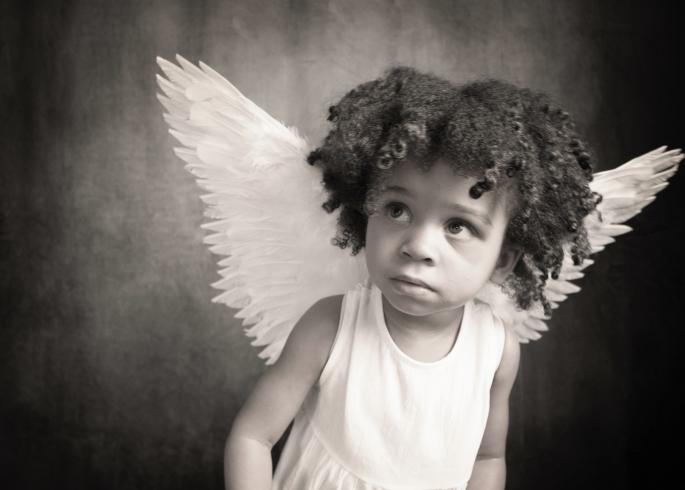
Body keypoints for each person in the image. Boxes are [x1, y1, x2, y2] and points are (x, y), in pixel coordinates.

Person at [223, 67, 601, 489]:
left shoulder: (496, 349)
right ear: (365, 210)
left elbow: (487, 457)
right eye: (397, 210)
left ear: (502, 261)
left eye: (458, 226)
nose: (417, 246)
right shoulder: (330, 327)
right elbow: (253, 436)